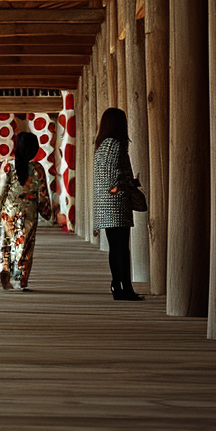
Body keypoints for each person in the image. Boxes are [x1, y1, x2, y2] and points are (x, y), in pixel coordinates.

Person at [0, 132, 51, 291]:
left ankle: (4, 269)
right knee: (26, 244)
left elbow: (0, 190)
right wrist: (46, 210)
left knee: (7, 241)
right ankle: (22, 276)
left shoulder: (9, 166)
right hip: (29, 212)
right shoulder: (37, 168)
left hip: (9, 211)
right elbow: (42, 194)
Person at [93, 107, 143, 301]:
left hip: (104, 205)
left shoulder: (101, 145)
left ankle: (116, 285)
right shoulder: (117, 145)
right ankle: (127, 288)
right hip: (117, 203)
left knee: (115, 247)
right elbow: (116, 175)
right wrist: (131, 182)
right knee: (123, 247)